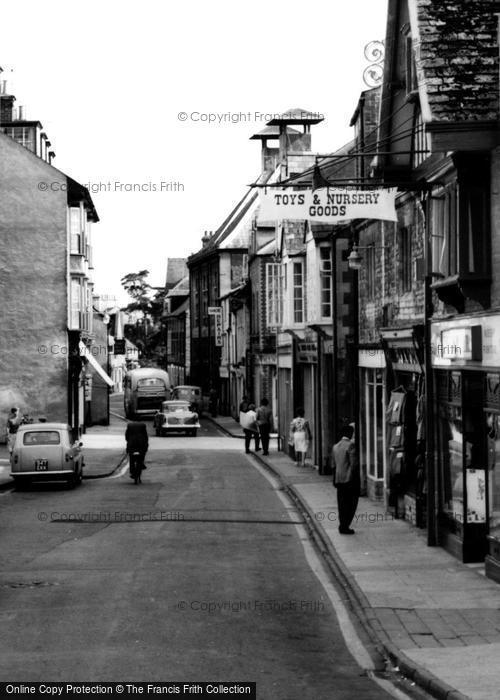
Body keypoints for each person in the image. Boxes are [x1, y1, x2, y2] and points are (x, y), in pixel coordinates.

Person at [332, 424, 359, 534]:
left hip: (339, 479)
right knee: (351, 504)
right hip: (349, 479)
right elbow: (353, 465)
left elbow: (333, 464)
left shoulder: (335, 446)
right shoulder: (351, 445)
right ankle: (345, 526)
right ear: (349, 433)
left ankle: (342, 525)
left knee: (341, 504)